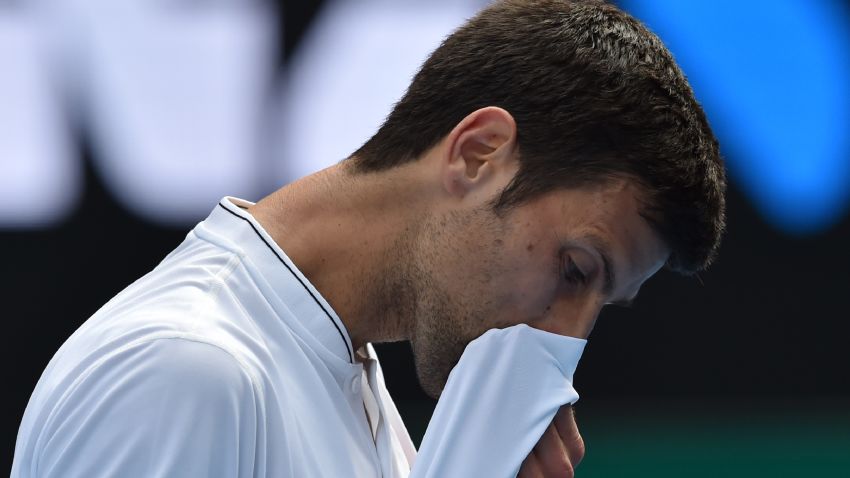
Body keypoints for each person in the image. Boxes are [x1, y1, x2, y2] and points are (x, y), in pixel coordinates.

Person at [12, 0, 726, 476]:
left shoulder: (343, 383)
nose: (567, 342)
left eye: (604, 303)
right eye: (575, 270)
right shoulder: (184, 370)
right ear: (478, 153)